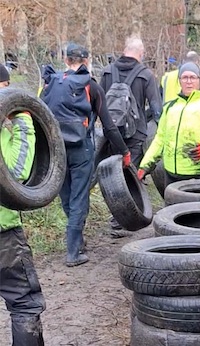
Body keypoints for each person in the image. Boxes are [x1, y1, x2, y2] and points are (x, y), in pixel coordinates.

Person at [40, 43, 130, 266]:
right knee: (79, 197)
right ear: (87, 61)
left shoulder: (50, 82)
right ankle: (73, 253)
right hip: (81, 148)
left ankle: (77, 241)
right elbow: (109, 127)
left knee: (67, 196)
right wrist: (125, 151)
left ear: (66, 60)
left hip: (55, 149)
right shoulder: (90, 85)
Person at [0, 63, 46, 345]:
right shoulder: (8, 135)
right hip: (3, 234)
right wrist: (24, 121)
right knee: (24, 304)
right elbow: (17, 175)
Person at [99, 36, 162, 230]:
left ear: (124, 50)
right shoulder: (145, 75)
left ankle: (116, 218)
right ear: (140, 54)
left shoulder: (107, 71)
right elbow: (156, 107)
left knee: (113, 177)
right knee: (130, 176)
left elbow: (98, 103)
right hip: (136, 134)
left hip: (111, 132)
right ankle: (124, 220)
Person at [138, 62, 200, 187]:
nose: (188, 81)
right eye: (184, 77)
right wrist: (145, 165)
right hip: (171, 175)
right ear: (179, 81)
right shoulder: (170, 107)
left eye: (193, 77)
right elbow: (160, 139)